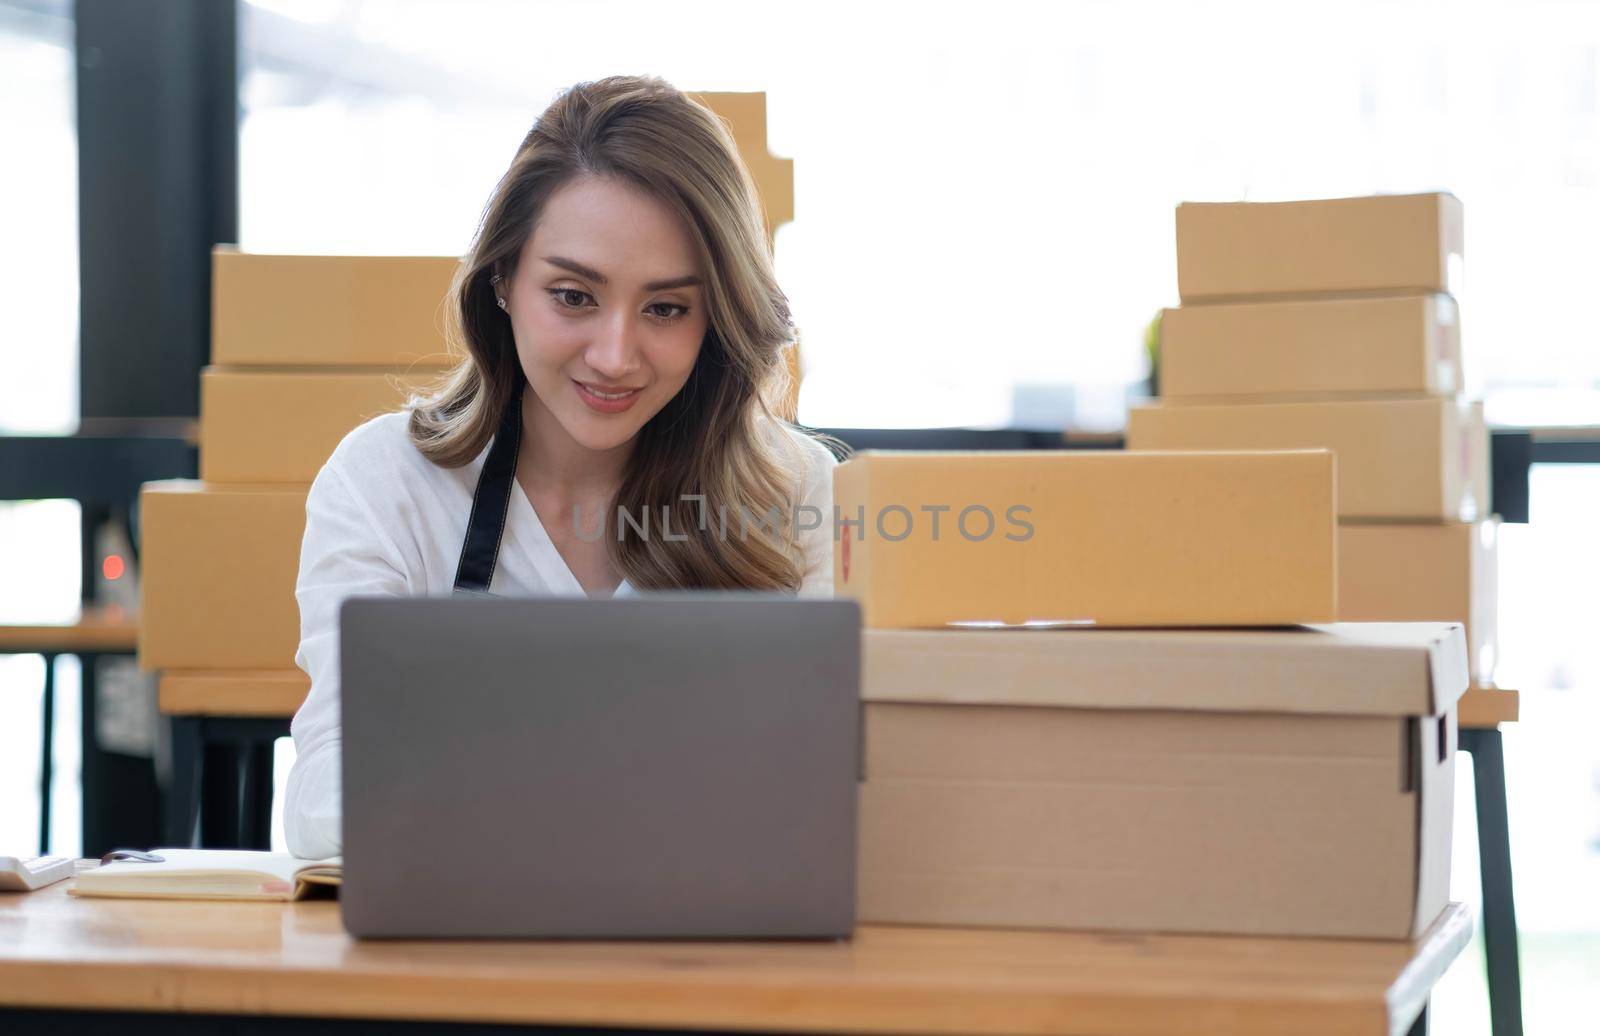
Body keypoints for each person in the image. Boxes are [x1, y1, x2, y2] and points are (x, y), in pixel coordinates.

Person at [283, 75, 839, 861]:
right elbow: (321, 806)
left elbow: (831, 792)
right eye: (574, 296)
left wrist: (476, 788)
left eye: (667, 309)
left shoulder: (794, 492)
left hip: (713, 967)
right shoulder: (386, 484)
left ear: (716, 317)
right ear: (504, 280)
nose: (615, 357)